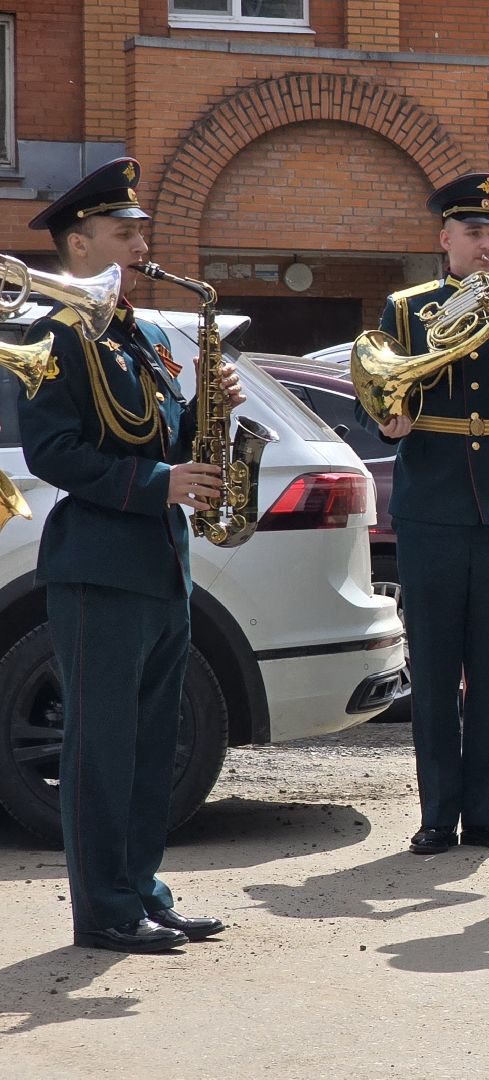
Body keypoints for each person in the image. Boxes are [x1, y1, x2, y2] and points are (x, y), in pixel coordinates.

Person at [19, 158, 241, 953]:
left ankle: (143, 889)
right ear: (79, 244)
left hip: (160, 561)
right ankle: (104, 908)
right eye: (124, 230)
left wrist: (210, 414)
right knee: (102, 743)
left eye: (141, 229)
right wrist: (161, 481)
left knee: (154, 741)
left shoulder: (137, 336)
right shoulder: (50, 332)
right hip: (99, 563)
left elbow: (163, 443)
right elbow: (53, 451)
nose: (141, 243)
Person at [356, 173, 489, 857]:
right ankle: (438, 814)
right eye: (473, 233)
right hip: (433, 503)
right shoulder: (407, 309)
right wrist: (391, 421)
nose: (486, 245)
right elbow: (374, 390)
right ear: (445, 240)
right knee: (435, 667)